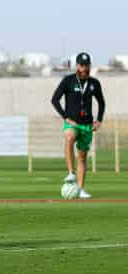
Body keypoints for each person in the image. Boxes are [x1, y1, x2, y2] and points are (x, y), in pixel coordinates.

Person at [51, 52, 105, 199]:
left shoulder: (94, 83)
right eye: (82, 65)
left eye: (87, 65)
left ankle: (80, 189)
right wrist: (65, 117)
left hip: (87, 125)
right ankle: (71, 173)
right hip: (72, 123)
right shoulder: (68, 81)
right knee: (69, 138)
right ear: (77, 66)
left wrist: (99, 120)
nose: (84, 68)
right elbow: (55, 100)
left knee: (82, 158)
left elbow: (101, 103)